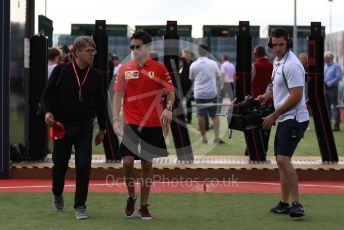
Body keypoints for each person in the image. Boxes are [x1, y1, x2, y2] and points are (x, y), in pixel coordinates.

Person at [42, 36, 107, 220]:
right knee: (59, 167)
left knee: (84, 167)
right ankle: (57, 192)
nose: (92, 54)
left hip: (85, 127)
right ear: (77, 52)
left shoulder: (96, 75)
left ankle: (80, 206)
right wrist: (47, 113)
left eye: (93, 51)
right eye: (89, 51)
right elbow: (46, 95)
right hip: (62, 126)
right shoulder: (61, 70)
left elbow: (101, 104)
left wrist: (103, 129)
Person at [112, 30, 175, 220]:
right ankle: (131, 196)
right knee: (127, 162)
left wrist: (168, 108)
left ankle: (144, 205)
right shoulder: (124, 69)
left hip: (153, 123)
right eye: (131, 47)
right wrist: (115, 119)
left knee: (148, 164)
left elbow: (170, 92)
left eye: (137, 46)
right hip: (131, 122)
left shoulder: (159, 68)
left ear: (147, 47)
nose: (134, 50)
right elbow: (117, 96)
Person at [256, 28, 309, 218]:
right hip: (286, 117)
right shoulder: (278, 62)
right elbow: (278, 87)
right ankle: (284, 203)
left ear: (288, 44)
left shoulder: (292, 65)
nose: (277, 48)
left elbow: (296, 96)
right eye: (275, 45)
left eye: (281, 45)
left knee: (283, 159)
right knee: (280, 161)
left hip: (294, 118)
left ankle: (297, 204)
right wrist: (266, 95)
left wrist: (274, 115)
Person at [189, 44, 225, 144]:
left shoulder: (194, 65)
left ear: (198, 52)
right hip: (211, 93)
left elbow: (191, 78)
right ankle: (216, 138)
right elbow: (219, 76)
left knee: (201, 115)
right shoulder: (213, 63)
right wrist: (221, 85)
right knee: (214, 116)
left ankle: (204, 139)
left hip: (199, 94)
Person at [251, 45, 273, 153]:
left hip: (255, 102)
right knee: (266, 130)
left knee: (253, 130)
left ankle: (254, 152)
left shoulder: (254, 66)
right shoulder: (273, 65)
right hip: (269, 102)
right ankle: (264, 151)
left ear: (255, 54)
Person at [324, 51, 342, 131]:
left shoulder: (336, 66)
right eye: (325, 58)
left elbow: (338, 77)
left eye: (326, 58)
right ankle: (328, 124)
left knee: (335, 106)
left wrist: (328, 83)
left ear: (331, 58)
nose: (325, 59)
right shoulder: (325, 66)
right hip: (325, 88)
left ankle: (336, 124)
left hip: (332, 88)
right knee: (327, 106)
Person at [179, 48, 194, 124]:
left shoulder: (191, 63)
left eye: (184, 53)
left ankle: (189, 118)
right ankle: (182, 117)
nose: (183, 55)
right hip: (181, 85)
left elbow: (184, 58)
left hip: (187, 85)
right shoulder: (183, 64)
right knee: (180, 102)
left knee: (188, 102)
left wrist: (184, 54)